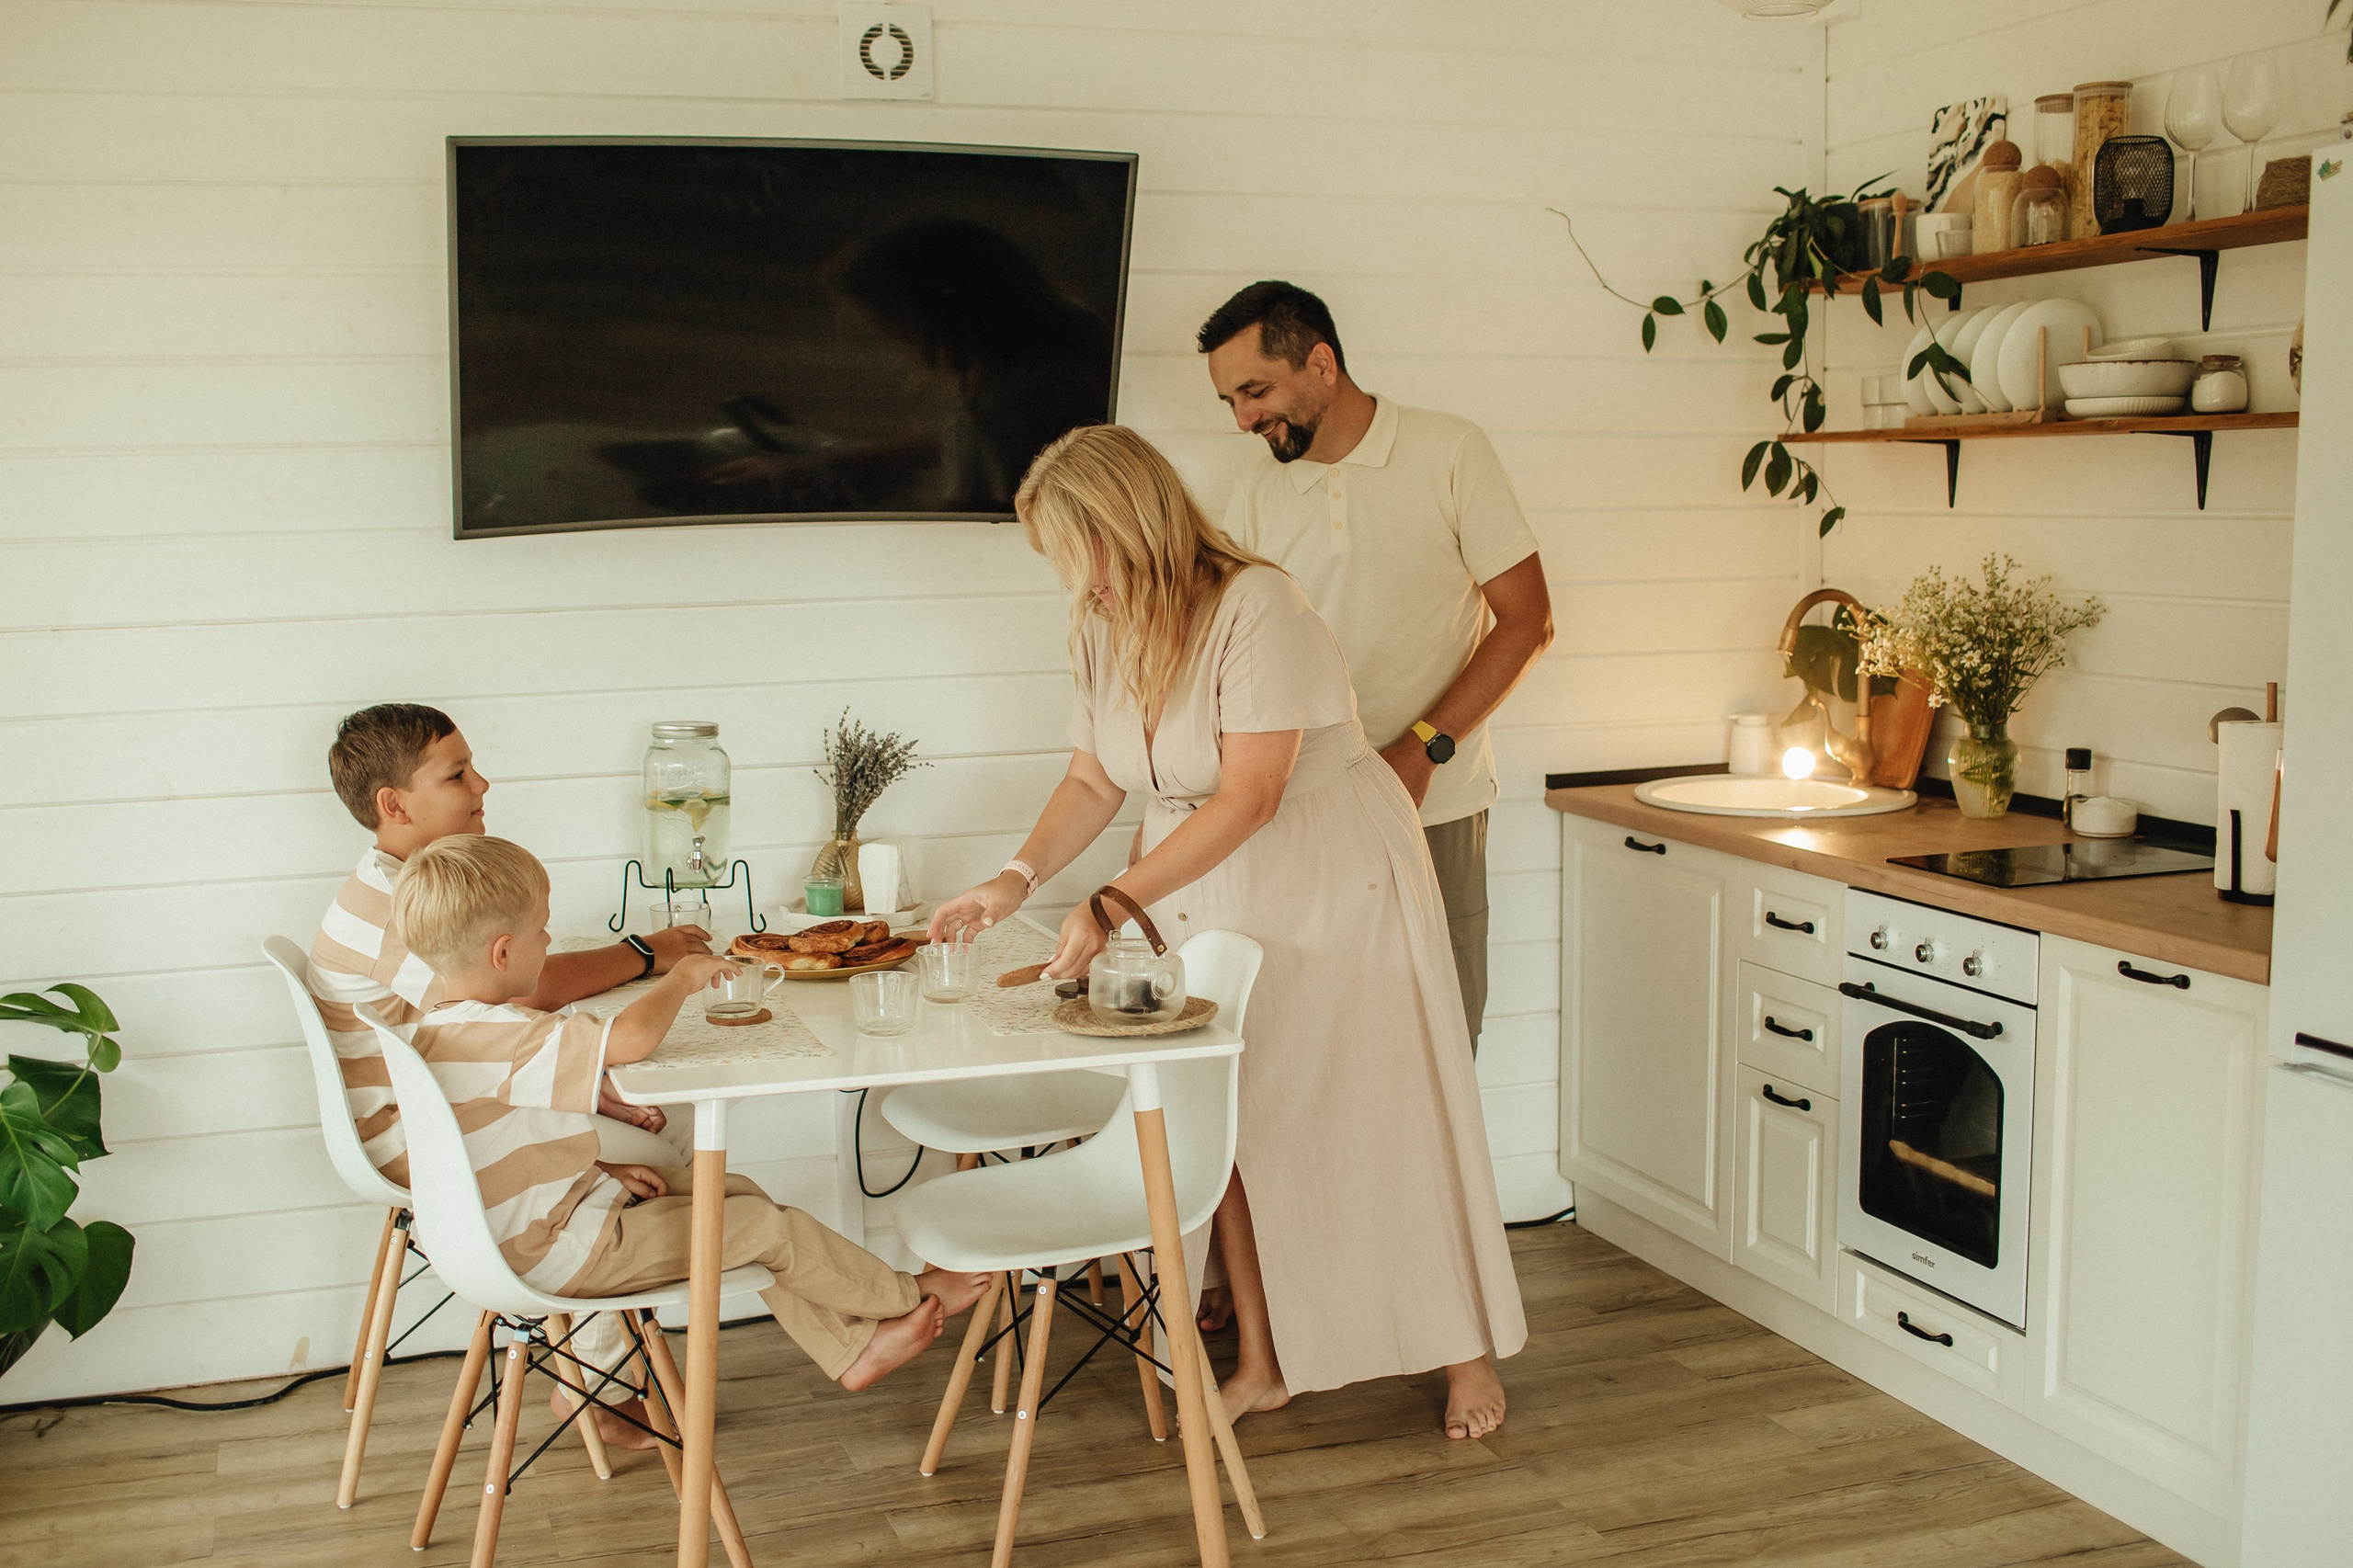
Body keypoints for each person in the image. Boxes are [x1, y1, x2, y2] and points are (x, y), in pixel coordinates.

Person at [927, 425, 1526, 1440]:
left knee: (1372, 1109)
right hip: (1203, 879)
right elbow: (1091, 778)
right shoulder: (1100, 625)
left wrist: (1113, 901)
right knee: (1234, 1123)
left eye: (1080, 556)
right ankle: (1265, 1357)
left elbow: (1251, 795)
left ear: (1128, 526)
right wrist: (1014, 876)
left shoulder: (1261, 606)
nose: (1077, 584)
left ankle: (1461, 1347)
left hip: (1329, 872)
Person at [389, 835, 989, 1395]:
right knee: (762, 1227)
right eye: (542, 932)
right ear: (502, 952)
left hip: (545, 1224)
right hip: (561, 1252)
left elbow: (500, 1148)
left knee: (737, 1197)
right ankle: (904, 1296)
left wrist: (602, 1171)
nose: (549, 944)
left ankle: (851, 1345)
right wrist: (679, 978)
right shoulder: (501, 1035)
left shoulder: (443, 1026)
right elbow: (630, 1040)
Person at [308, 701, 705, 1445]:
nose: (481, 784)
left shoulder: (397, 883)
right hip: (424, 1138)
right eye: (457, 774)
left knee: (641, 1106)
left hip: (433, 1109)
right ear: (394, 804)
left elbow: (503, 1006)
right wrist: (650, 954)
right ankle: (602, 1367)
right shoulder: (399, 905)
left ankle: (602, 1357)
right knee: (669, 1123)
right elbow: (530, 989)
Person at [1199, 281, 1554, 1056]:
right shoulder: (1253, 491)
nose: (1244, 419)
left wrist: (1426, 746)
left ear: (1321, 363)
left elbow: (1527, 622)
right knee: (1317, 1058)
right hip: (1298, 818)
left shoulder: (1450, 450)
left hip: (1435, 803)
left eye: (1255, 391)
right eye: (1229, 401)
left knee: (1442, 1048)